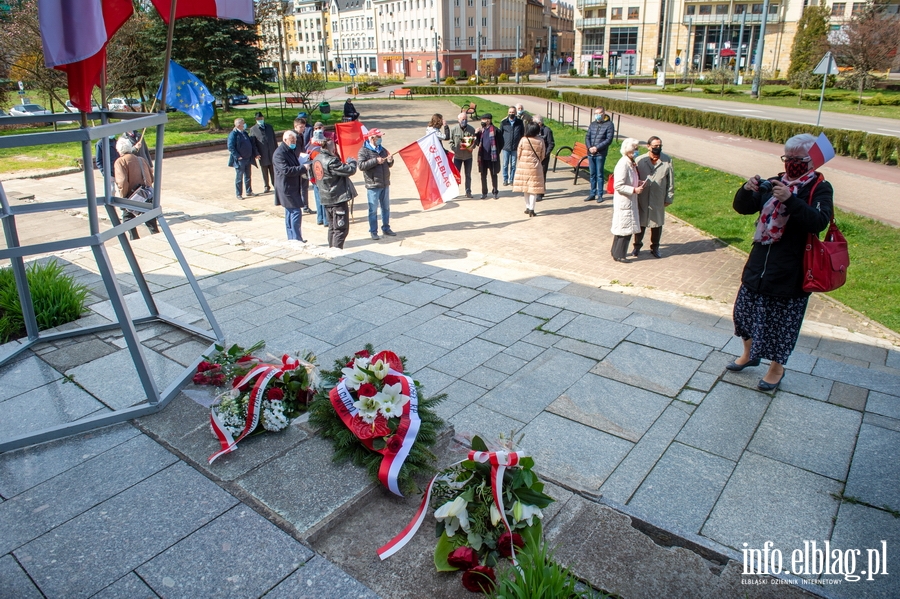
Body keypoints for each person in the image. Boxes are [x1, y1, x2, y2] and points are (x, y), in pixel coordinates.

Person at [728, 133, 833, 391]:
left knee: (781, 325)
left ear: (811, 161)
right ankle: (749, 355)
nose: (791, 163)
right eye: (788, 158)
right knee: (744, 314)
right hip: (758, 265)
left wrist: (791, 199)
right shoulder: (775, 182)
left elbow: (818, 222)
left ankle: (776, 368)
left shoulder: (819, 188)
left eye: (798, 159)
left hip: (791, 270)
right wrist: (746, 190)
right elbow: (743, 208)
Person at [311, 137, 357, 249]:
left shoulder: (317, 158)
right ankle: (336, 252)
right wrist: (352, 162)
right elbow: (349, 170)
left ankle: (331, 249)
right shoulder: (331, 161)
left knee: (332, 227)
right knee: (340, 229)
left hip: (326, 198)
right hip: (336, 198)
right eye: (334, 146)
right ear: (331, 147)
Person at [633, 136, 674, 258]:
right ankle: (637, 247)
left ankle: (655, 247)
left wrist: (669, 197)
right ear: (648, 146)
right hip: (642, 197)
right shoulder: (640, 160)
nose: (658, 148)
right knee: (641, 223)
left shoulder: (667, 160)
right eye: (655, 146)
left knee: (657, 224)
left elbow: (671, 181)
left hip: (658, 197)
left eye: (660, 145)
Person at [113, 136, 159, 240]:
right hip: (145, 192)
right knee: (150, 217)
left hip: (131, 194)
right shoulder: (140, 159)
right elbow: (151, 177)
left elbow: (122, 181)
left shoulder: (120, 162)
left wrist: (122, 196)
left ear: (119, 150)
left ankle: (134, 239)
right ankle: (156, 235)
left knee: (128, 217)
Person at [357, 128, 396, 240]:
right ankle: (373, 231)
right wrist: (375, 161)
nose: (380, 139)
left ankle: (386, 227)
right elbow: (361, 166)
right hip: (373, 185)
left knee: (386, 208)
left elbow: (388, 165)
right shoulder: (363, 151)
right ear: (371, 138)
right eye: (378, 137)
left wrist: (390, 161)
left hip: (384, 183)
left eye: (380, 137)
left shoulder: (382, 149)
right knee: (373, 209)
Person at [272, 130, 311, 242]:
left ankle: (292, 238)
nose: (294, 142)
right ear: (285, 140)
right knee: (295, 212)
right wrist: (303, 168)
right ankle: (296, 238)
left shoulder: (289, 150)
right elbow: (286, 170)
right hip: (286, 187)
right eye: (291, 140)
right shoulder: (279, 153)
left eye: (294, 140)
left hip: (291, 186)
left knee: (290, 212)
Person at [610, 138, 644, 262]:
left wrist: (637, 183)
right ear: (629, 150)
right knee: (624, 230)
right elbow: (618, 185)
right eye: (635, 149)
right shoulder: (623, 163)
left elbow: (629, 179)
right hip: (624, 201)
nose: (637, 151)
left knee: (624, 228)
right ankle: (620, 254)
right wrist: (634, 190)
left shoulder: (631, 162)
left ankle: (616, 252)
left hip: (629, 201)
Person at [513, 123, 546, 218]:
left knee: (525, 188)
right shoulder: (540, 140)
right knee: (533, 189)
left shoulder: (523, 140)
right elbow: (542, 155)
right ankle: (532, 209)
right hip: (535, 167)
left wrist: (522, 160)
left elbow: (519, 153)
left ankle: (527, 207)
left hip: (523, 166)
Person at [585, 106, 615, 203]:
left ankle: (600, 194)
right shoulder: (592, 124)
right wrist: (589, 147)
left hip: (600, 153)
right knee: (592, 174)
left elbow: (608, 140)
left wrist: (596, 148)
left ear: (603, 113)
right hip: (590, 153)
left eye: (599, 113)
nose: (597, 115)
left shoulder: (609, 124)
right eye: (595, 113)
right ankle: (592, 193)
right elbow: (587, 136)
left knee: (599, 174)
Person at [474, 113, 503, 200]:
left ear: (488, 120)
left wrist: (496, 152)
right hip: (482, 157)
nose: (481, 121)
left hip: (492, 157)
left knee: (493, 175)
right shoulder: (481, 131)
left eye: (483, 120)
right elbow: (477, 143)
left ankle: (495, 192)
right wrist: (476, 134)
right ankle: (484, 193)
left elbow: (501, 142)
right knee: (483, 176)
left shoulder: (495, 130)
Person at [227, 118, 258, 199]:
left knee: (248, 176)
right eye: (243, 123)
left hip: (248, 158)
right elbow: (230, 147)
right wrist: (238, 156)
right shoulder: (233, 134)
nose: (244, 124)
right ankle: (239, 194)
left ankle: (249, 191)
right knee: (239, 177)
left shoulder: (244, 133)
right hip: (240, 160)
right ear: (238, 125)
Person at [449, 111, 476, 199]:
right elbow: (451, 142)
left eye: (465, 119)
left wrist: (471, 146)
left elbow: (474, 143)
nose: (464, 121)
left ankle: (468, 191)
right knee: (456, 175)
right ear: (458, 120)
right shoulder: (453, 129)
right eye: (462, 119)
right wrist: (455, 149)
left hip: (468, 156)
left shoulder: (471, 129)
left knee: (468, 174)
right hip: (458, 156)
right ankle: (455, 191)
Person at [249, 112, 276, 193]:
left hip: (272, 152)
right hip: (262, 153)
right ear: (256, 120)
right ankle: (266, 186)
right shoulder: (253, 129)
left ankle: (275, 184)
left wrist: (277, 151)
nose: (260, 120)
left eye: (261, 118)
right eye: (258, 119)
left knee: (273, 170)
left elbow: (274, 140)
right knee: (264, 170)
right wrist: (256, 153)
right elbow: (253, 143)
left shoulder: (269, 127)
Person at [292, 116, 314, 214]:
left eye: (304, 127)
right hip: (299, 164)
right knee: (302, 187)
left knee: (304, 187)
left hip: (303, 162)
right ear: (295, 127)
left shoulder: (300, 135)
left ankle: (305, 206)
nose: (303, 129)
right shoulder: (294, 137)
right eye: (301, 127)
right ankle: (303, 206)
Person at [308, 124, 328, 226]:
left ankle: (319, 218)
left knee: (317, 199)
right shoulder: (319, 151)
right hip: (321, 178)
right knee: (324, 199)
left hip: (313, 178)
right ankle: (326, 220)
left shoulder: (309, 147)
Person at [500, 106, 524, 186]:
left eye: (513, 112)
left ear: (516, 113)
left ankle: (512, 179)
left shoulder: (520, 122)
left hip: (515, 147)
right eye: (510, 112)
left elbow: (522, 134)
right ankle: (505, 179)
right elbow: (501, 134)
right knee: (505, 164)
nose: (511, 114)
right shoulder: (503, 122)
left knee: (513, 165)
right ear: (508, 113)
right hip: (506, 147)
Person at [533, 115, 555, 201]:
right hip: (534, 156)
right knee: (535, 174)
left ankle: (540, 193)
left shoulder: (547, 131)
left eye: (534, 122)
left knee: (542, 174)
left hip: (544, 157)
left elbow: (551, 143)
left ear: (539, 123)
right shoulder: (533, 130)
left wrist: (545, 154)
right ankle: (536, 190)